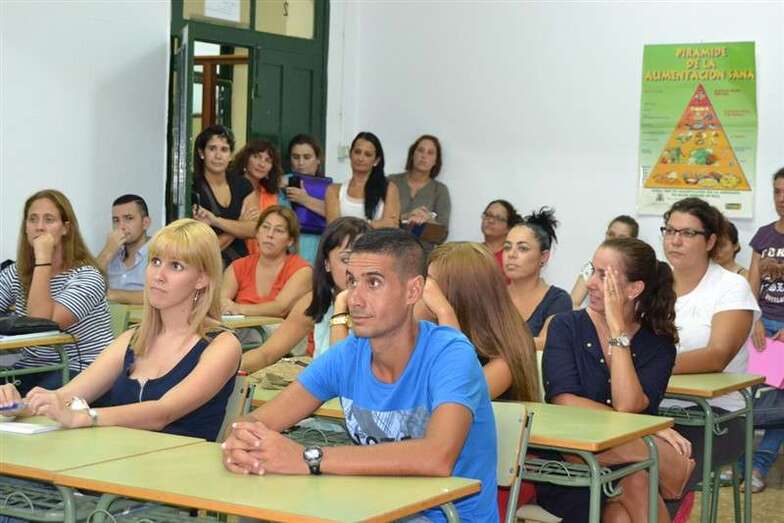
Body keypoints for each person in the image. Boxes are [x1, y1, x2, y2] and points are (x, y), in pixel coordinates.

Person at [222, 229, 499, 522]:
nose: (355, 298)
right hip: (370, 509)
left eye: (374, 283)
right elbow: (255, 422)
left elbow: (436, 457)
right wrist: (243, 442)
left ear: (413, 291)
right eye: (352, 281)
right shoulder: (348, 354)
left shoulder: (450, 354)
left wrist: (307, 458)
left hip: (445, 517)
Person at [0, 218, 241, 442]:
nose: (158, 276)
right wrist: (16, 406)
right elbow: (65, 396)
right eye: (155, 262)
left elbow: (163, 412)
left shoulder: (222, 345)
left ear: (202, 279)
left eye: (176, 266)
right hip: (120, 460)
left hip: (181, 468)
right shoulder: (132, 339)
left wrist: (84, 417)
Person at [540, 237, 692, 523]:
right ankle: (661, 460)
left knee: (625, 507)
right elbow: (565, 401)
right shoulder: (566, 326)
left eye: (603, 276)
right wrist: (647, 431)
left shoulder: (658, 343)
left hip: (631, 466)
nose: (590, 284)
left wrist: (617, 332)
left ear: (634, 289)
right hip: (569, 466)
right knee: (637, 479)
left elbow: (628, 405)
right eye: (592, 271)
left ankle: (652, 457)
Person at [658, 198, 759, 491]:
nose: (675, 241)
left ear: (711, 241)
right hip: (654, 409)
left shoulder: (731, 286)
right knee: (617, 465)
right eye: (669, 231)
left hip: (714, 415)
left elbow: (717, 356)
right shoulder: (653, 285)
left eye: (688, 233)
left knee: (658, 472)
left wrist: (648, 366)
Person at [0, 190, 113, 393]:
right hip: (29, 368)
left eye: (49, 219)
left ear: (65, 228)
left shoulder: (88, 276)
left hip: (80, 370)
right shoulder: (16, 272)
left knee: (32, 402)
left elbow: (40, 325)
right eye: (32, 219)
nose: (39, 227)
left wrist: (43, 258)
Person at [241, 217, 371, 372]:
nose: (355, 269)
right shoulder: (316, 300)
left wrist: (342, 304)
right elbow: (266, 354)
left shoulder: (383, 307)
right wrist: (226, 367)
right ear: (327, 263)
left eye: (365, 260)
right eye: (346, 259)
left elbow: (342, 369)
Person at [420, 242, 538, 402]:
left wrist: (445, 312)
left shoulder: (508, 357)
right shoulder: (432, 328)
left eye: (432, 285)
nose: (425, 292)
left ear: (462, 294)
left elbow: (455, 397)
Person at [743, 167, 784, 492]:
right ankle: (738, 465)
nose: (781, 199)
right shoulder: (763, 236)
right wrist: (754, 318)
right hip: (761, 327)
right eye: (777, 191)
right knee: (746, 397)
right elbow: (752, 283)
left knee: (781, 406)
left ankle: (758, 467)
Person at [221, 206, 312, 318]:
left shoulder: (302, 270)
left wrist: (238, 308)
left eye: (279, 230)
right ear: (257, 233)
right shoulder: (238, 266)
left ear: (290, 241)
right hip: (241, 328)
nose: (270, 235)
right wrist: (226, 306)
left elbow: (280, 309)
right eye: (265, 227)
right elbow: (221, 302)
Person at [504, 208, 571, 349]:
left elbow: (546, 342)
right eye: (507, 247)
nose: (511, 254)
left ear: (543, 257)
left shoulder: (557, 299)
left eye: (523, 248)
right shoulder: (491, 296)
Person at [191, 125, 257, 267]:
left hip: (241, 266)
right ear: (201, 153)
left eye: (224, 149)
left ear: (231, 155)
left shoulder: (243, 185)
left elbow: (253, 229)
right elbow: (207, 249)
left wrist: (215, 221)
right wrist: (239, 224)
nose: (218, 156)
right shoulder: (192, 188)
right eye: (212, 149)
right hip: (208, 268)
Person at [388, 134, 451, 252]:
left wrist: (426, 221)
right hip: (389, 250)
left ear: (436, 161)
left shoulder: (440, 190)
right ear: (412, 154)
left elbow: (441, 236)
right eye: (420, 150)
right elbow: (380, 223)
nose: (424, 156)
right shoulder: (392, 181)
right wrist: (407, 217)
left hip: (422, 255)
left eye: (430, 153)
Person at [325, 132, 400, 228]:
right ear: (350, 154)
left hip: (378, 238)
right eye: (357, 152)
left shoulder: (389, 188)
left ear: (376, 161)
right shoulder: (334, 190)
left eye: (367, 154)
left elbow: (391, 224)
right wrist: (371, 225)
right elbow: (334, 228)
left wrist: (354, 228)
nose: (360, 158)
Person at [570, 215, 639, 308]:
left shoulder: (637, 271)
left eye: (621, 238)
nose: (614, 240)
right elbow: (572, 303)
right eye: (611, 234)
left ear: (633, 241)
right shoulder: (591, 267)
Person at [230, 139, 284, 255]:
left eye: (268, 160)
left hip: (264, 258)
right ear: (246, 159)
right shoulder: (231, 186)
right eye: (257, 157)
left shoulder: (271, 195)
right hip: (235, 254)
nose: (261, 164)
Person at [96, 194, 151, 305]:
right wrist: (107, 251)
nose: (121, 226)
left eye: (128, 218)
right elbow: (85, 286)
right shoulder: (111, 252)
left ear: (145, 223)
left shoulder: (160, 253)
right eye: (116, 220)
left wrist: (112, 294)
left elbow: (161, 296)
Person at [283, 134, 328, 265]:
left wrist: (305, 200)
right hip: (286, 254)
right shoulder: (281, 184)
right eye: (296, 157)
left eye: (307, 157)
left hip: (319, 253)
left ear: (318, 160)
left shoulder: (329, 188)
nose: (301, 163)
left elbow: (337, 217)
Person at [480, 199, 521, 274]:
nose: (490, 221)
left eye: (498, 218)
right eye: (488, 215)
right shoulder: (473, 252)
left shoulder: (513, 257)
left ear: (509, 228)